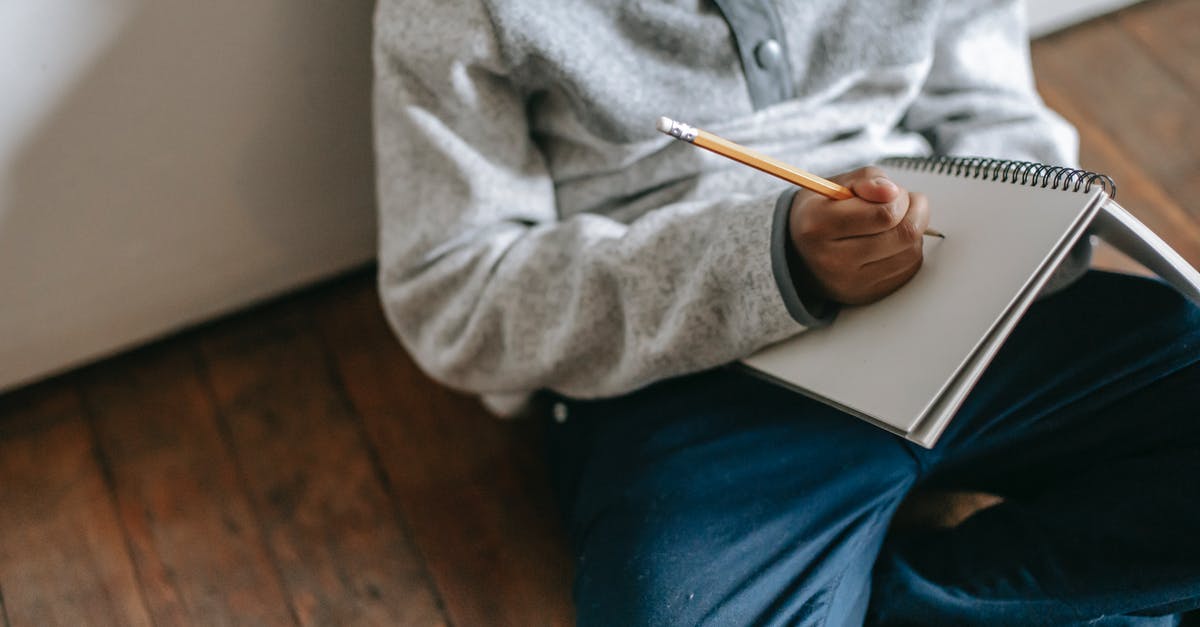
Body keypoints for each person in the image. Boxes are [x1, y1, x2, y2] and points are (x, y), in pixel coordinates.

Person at [372, 0, 1200, 624]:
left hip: (965, 299)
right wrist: (763, 262)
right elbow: (455, 293)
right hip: (683, 373)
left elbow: (988, 106)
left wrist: (1013, 235)